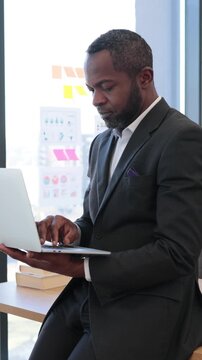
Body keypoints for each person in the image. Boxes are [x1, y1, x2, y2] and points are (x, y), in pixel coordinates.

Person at [1, 29, 202, 360]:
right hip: (88, 297)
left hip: (146, 306)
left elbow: (177, 253)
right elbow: (96, 220)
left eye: (106, 87)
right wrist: (73, 230)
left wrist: (80, 268)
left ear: (144, 77)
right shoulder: (102, 143)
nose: (95, 99)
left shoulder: (182, 139)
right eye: (91, 89)